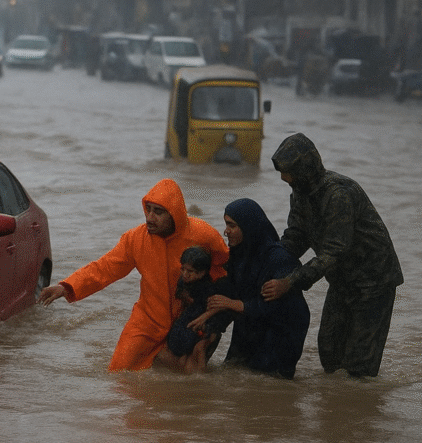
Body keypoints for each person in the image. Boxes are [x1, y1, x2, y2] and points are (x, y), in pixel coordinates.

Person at [37, 179, 229, 372]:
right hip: (148, 319)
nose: (150, 217)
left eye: (158, 212)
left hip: (191, 316)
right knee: (119, 372)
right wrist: (67, 286)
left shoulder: (203, 235)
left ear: (175, 214)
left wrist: (215, 315)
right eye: (148, 209)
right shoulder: (136, 239)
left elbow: (227, 269)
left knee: (191, 376)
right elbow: (104, 268)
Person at [262, 133, 404, 377]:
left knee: (359, 366)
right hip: (341, 281)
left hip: (373, 282)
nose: (285, 178)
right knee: (329, 351)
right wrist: (269, 261)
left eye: (289, 172)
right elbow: (296, 236)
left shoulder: (338, 194)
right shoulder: (300, 191)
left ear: (305, 169)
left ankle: (358, 411)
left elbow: (334, 251)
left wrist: (291, 281)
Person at [195, 198, 311, 379]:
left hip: (281, 332)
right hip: (250, 323)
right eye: (226, 224)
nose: (226, 232)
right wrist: (209, 320)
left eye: (231, 226)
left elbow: (281, 309)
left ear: (248, 227)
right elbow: (230, 293)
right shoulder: (239, 255)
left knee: (269, 384)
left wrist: (235, 304)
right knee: (236, 376)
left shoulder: (279, 259)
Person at [158, 246, 234, 374]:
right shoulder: (184, 281)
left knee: (194, 361)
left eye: (190, 271)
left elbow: (220, 307)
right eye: (183, 269)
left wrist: (205, 321)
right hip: (189, 320)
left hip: (206, 325)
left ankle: (200, 388)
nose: (185, 274)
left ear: (202, 273)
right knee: (170, 356)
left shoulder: (211, 288)